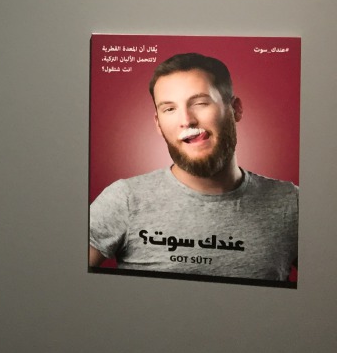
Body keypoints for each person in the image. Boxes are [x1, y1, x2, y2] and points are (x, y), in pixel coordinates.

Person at [89, 53, 297, 281]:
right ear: (158, 124)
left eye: (200, 103)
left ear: (235, 109)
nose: (186, 120)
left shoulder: (291, 203)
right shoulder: (125, 199)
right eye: (169, 109)